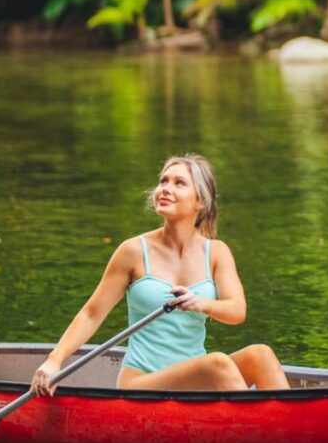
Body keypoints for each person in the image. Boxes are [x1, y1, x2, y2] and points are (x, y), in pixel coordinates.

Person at [31, 154, 288, 395]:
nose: (165, 188)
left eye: (179, 183)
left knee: (260, 355)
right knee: (217, 363)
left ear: (200, 201)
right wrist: (53, 362)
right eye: (163, 181)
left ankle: (289, 430)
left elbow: (237, 311)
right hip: (142, 383)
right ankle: (260, 433)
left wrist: (200, 304)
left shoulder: (217, 252)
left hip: (195, 379)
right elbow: (91, 313)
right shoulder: (133, 251)